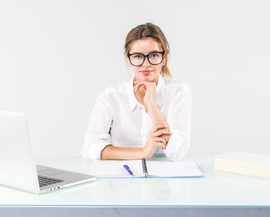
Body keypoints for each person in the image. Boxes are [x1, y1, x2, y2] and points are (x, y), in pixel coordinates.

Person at [82, 23, 191, 161]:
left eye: (154, 55)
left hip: (164, 177)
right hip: (122, 174)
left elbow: (177, 152)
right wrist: (142, 152)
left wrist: (151, 104)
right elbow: (91, 147)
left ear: (164, 58)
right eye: (138, 57)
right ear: (129, 59)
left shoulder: (178, 92)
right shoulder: (110, 97)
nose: (146, 64)